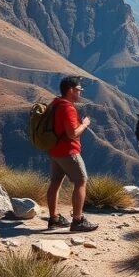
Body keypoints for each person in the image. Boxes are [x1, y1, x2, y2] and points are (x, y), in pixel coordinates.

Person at [46, 76, 98, 232]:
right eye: (79, 89)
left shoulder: (55, 104)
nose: (80, 93)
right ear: (70, 90)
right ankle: (78, 220)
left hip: (54, 150)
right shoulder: (67, 107)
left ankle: (54, 218)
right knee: (81, 181)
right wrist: (84, 124)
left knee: (55, 182)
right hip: (68, 151)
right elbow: (72, 133)